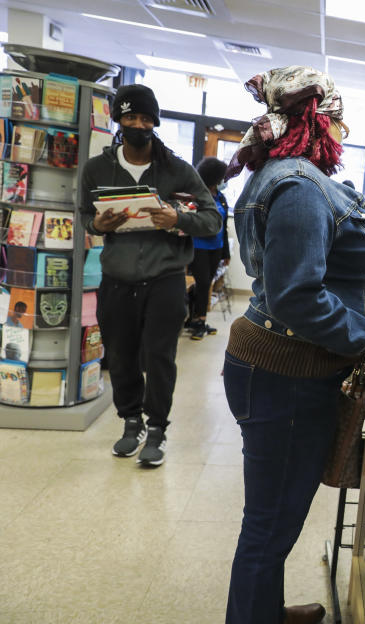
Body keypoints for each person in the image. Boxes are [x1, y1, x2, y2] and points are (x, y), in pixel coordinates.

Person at [221, 66, 365, 624]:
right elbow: (297, 297)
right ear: (321, 121)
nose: (344, 135)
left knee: (272, 516)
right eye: (341, 123)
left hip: (276, 361)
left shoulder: (281, 173)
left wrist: (361, 304)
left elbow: (302, 277)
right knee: (271, 524)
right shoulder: (301, 185)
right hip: (288, 373)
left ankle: (264, 611)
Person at [79, 84, 221, 466]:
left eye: (145, 118)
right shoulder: (97, 169)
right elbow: (83, 217)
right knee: (122, 355)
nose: (138, 124)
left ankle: (157, 428)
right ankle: (131, 421)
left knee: (159, 356)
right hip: (117, 278)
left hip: (165, 278)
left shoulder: (177, 170)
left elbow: (212, 220)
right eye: (130, 117)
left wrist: (179, 218)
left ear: (155, 122)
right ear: (118, 121)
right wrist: (99, 223)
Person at [187, 156, 232, 340]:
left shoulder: (221, 198)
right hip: (198, 246)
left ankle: (194, 319)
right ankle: (199, 322)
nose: (223, 181)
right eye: (221, 177)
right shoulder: (197, 196)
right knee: (203, 283)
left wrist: (226, 253)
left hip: (216, 247)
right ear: (212, 177)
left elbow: (224, 226)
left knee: (206, 283)